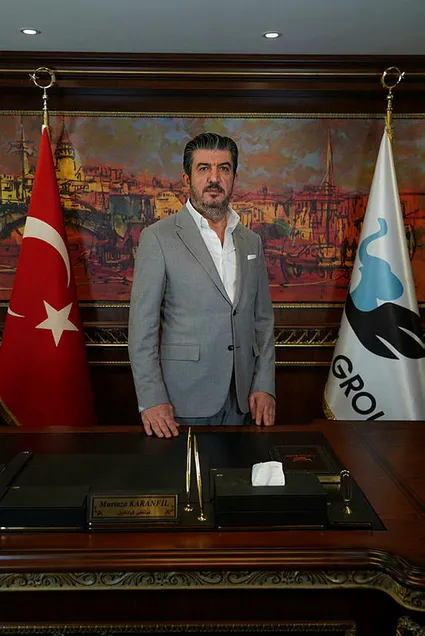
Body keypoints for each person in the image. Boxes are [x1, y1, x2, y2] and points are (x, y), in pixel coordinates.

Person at [128, 132, 275, 438]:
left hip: (243, 400)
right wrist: (151, 399)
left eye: (223, 168)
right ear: (187, 179)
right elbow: (142, 329)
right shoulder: (158, 238)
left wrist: (264, 385)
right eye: (204, 168)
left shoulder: (251, 241)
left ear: (234, 178)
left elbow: (262, 321)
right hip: (182, 399)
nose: (214, 178)